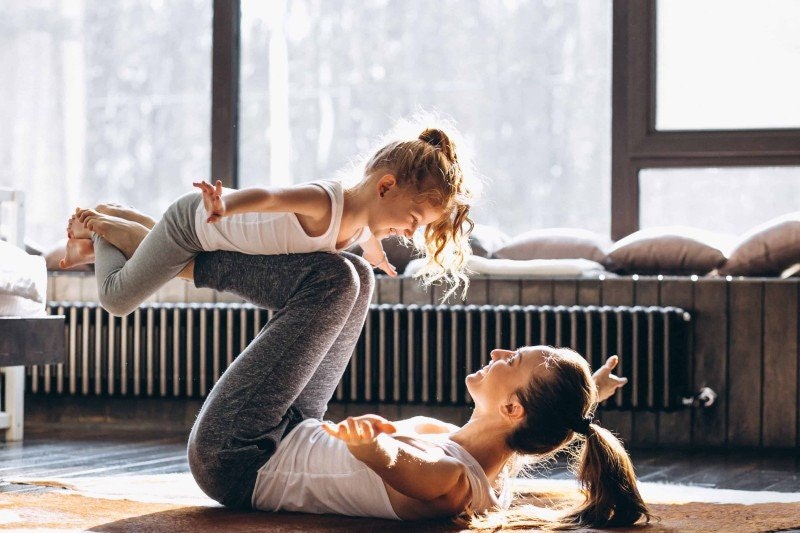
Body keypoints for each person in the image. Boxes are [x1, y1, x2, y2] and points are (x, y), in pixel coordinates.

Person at [77, 207, 643, 528]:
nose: (499, 353)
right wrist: (585, 396)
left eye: (512, 360)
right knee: (357, 275)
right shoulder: (486, 456)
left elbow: (413, 471)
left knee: (328, 281)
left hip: (241, 457)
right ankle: (144, 242)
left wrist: (379, 450)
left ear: (513, 407)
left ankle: (157, 248)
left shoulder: (453, 481)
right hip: (294, 428)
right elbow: (555, 423)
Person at [60, 127, 474, 317]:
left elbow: (368, 242)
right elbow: (270, 196)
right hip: (196, 224)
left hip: (209, 235)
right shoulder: (325, 202)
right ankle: (97, 227)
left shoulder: (363, 226)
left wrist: (377, 256)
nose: (411, 232)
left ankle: (115, 213)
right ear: (385, 187)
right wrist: (228, 205)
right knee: (116, 300)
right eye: (414, 219)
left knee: (160, 254)